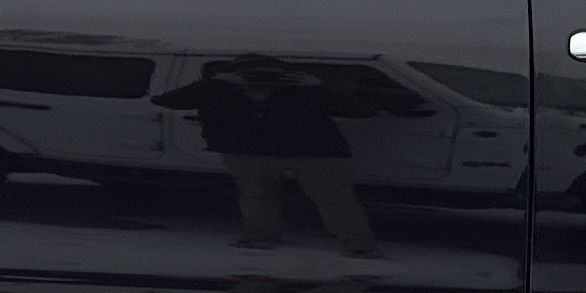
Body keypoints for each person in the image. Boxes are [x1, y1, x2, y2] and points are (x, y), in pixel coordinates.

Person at [156, 54, 414, 255]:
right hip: (249, 151)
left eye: (272, 74)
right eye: (252, 74)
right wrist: (214, 83)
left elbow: (359, 111)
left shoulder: (305, 90)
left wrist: (320, 88)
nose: (262, 79)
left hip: (316, 152)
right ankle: (259, 236)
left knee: (335, 199)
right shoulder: (217, 89)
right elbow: (167, 101)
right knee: (256, 195)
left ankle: (358, 244)